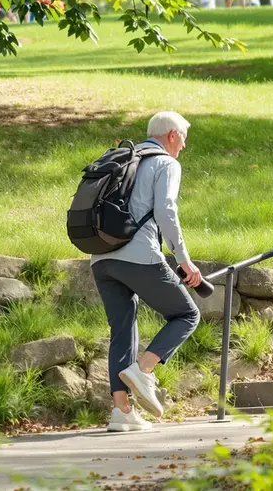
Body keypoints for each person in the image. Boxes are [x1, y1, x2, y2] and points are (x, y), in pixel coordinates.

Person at [90, 112, 203, 432]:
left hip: (100, 257)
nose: (184, 144)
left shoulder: (124, 159)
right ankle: (144, 369)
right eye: (183, 137)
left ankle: (121, 412)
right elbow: (166, 210)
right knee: (187, 314)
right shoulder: (166, 163)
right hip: (137, 254)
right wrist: (183, 259)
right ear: (171, 135)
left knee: (122, 330)